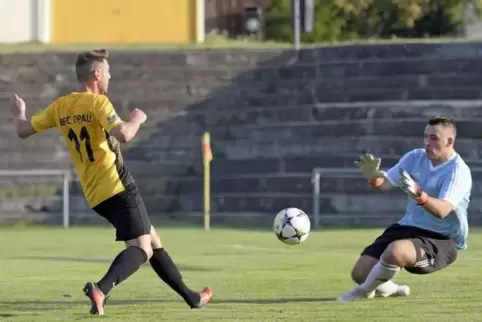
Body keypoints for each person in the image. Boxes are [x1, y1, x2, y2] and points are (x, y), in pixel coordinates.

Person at [10, 49, 213, 315]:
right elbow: (124, 134)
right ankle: (101, 289)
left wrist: (19, 112)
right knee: (142, 249)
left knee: (152, 238)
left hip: (95, 194)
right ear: (96, 75)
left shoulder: (61, 106)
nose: (110, 77)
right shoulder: (98, 103)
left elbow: (23, 130)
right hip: (118, 185)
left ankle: (192, 297)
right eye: (107, 72)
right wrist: (137, 119)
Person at [338, 116, 472, 302]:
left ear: (449, 141)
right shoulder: (415, 157)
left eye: (434, 138)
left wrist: (419, 194)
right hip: (409, 226)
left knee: (395, 251)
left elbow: (443, 210)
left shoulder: (458, 171)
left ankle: (363, 292)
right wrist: (372, 177)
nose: (427, 142)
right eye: (425, 136)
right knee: (360, 273)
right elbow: (384, 185)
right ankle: (392, 289)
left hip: (441, 238)